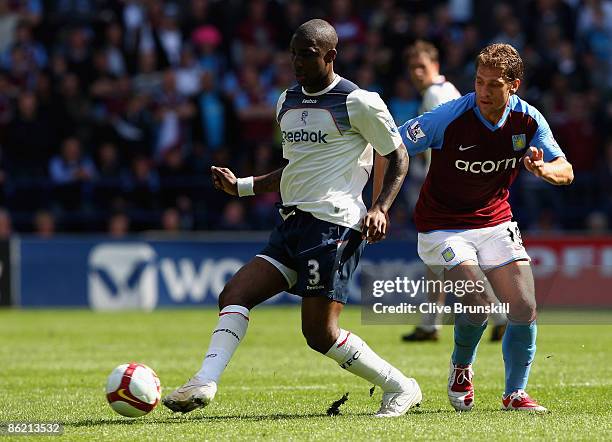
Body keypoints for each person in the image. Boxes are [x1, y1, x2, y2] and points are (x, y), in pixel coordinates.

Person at [162, 19, 421, 418]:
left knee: (319, 335)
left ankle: (401, 386)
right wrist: (242, 186)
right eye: (294, 53)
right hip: (293, 224)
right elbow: (295, 169)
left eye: (307, 54)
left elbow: (398, 155)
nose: (297, 62)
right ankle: (204, 381)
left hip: (334, 226)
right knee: (234, 294)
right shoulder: (286, 101)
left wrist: (380, 207)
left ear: (330, 56)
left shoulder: (359, 102)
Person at [376, 43, 572, 412]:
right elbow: (390, 146)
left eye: (493, 84)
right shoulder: (448, 116)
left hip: (495, 220)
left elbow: (567, 170)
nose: (483, 90)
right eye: (479, 82)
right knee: (479, 301)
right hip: (442, 226)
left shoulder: (528, 120)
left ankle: (515, 394)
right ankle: (461, 366)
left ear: (514, 85)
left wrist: (545, 170)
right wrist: (379, 205)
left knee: (525, 306)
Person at [400, 41, 507, 343]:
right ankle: (430, 324)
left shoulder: (436, 94)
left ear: (436, 65)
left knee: (451, 257)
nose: (417, 73)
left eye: (422, 66)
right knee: (437, 259)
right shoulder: (444, 92)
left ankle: (498, 314)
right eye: (412, 68)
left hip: (449, 188)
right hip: (452, 184)